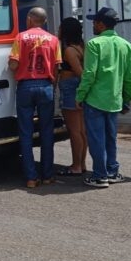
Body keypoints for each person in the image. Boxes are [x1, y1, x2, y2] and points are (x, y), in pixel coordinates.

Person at [76, 7, 131, 188]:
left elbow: (89, 74)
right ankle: (112, 171)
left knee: (96, 139)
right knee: (111, 138)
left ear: (101, 24)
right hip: (115, 100)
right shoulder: (126, 45)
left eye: (95, 21)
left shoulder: (95, 44)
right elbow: (130, 76)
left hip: (95, 99)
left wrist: (80, 95)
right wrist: (127, 98)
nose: (93, 24)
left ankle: (100, 175)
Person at [8, 7, 62, 188]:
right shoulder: (54, 40)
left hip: (26, 87)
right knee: (47, 131)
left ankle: (31, 177)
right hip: (46, 86)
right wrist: (51, 86)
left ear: (30, 19)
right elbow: (56, 67)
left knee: (26, 132)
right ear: (44, 21)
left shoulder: (20, 37)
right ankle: (47, 175)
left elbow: (14, 64)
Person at [56, 17, 88, 176]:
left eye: (61, 27)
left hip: (71, 88)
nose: (58, 30)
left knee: (74, 131)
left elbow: (80, 72)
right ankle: (81, 164)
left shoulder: (69, 50)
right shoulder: (82, 46)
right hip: (76, 88)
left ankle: (76, 165)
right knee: (82, 130)